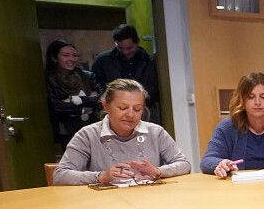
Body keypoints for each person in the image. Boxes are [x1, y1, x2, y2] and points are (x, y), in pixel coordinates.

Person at [53, 78, 189, 185]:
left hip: (150, 200)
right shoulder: (87, 135)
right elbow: (60, 175)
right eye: (123, 108)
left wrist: (158, 171)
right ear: (106, 105)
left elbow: (184, 165)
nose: (130, 115)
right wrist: (101, 176)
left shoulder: (155, 132)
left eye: (137, 109)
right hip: (105, 206)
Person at [91, 24, 162, 127]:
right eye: (120, 48)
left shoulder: (149, 61)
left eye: (129, 48)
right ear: (115, 44)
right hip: (114, 114)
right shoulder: (102, 61)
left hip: (144, 113)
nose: (125, 52)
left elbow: (154, 88)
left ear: (137, 42)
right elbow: (96, 86)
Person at [44, 39, 100, 147]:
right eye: (66, 55)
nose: (71, 59)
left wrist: (78, 100)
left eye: (74, 55)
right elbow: (56, 106)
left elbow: (101, 99)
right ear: (54, 58)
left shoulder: (87, 76)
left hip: (91, 125)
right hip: (66, 130)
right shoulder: (49, 79)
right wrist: (84, 108)